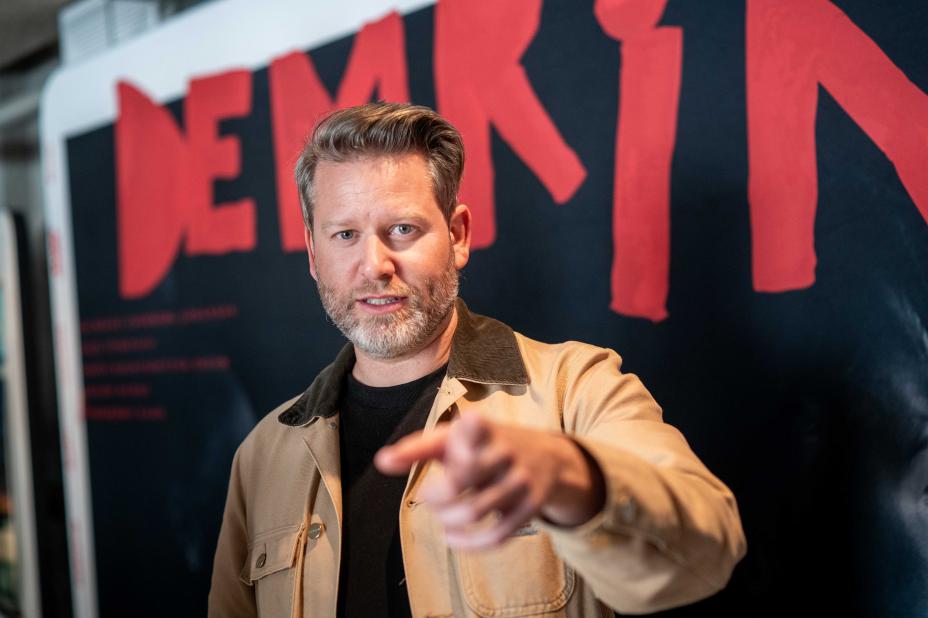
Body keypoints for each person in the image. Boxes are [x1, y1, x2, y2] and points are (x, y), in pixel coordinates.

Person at [208, 102, 746, 618]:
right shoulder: (263, 455)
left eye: (403, 229)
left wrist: (574, 478)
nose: (374, 265)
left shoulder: (575, 388)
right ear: (313, 254)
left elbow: (710, 549)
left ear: (458, 235)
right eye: (345, 235)